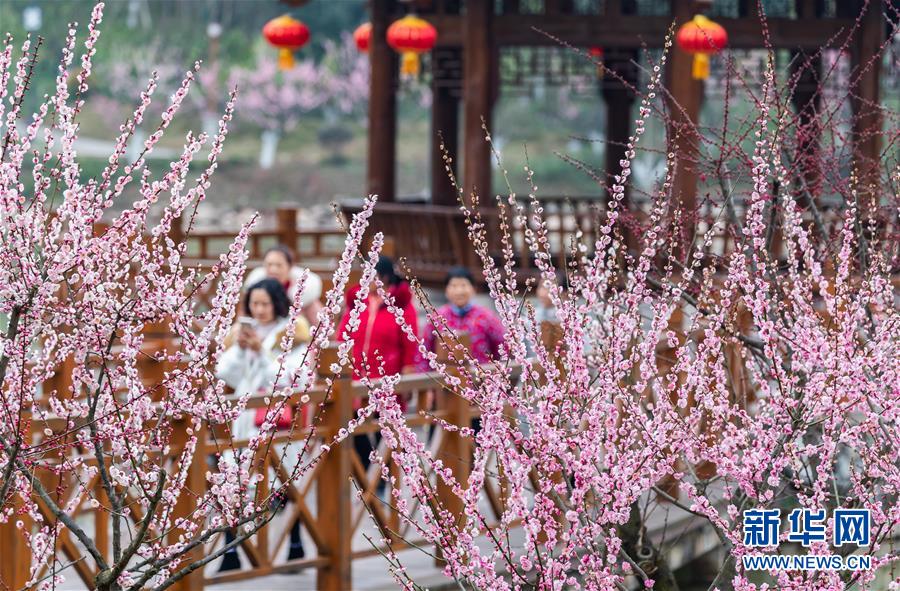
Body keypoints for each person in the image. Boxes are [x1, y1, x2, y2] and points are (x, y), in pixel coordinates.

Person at [215, 278, 312, 569]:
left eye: (264, 304)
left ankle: (295, 543)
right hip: (245, 422)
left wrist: (262, 352)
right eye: (254, 303)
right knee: (234, 481)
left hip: (277, 423)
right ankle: (231, 551)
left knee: (285, 485)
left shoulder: (293, 332)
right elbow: (226, 373)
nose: (259, 310)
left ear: (277, 304)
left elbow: (295, 379)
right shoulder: (241, 333)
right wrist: (241, 348)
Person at [336, 256, 420, 470]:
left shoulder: (400, 304)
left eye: (375, 275)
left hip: (387, 373)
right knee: (357, 424)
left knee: (386, 427)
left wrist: (408, 370)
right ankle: (364, 472)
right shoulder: (358, 301)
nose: (370, 280)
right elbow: (344, 333)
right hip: (357, 374)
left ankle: (385, 476)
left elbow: (410, 341)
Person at [424, 267, 505, 365]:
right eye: (454, 286)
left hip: (481, 376)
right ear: (446, 290)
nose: (459, 291)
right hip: (445, 377)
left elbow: (503, 348)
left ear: (473, 289)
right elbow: (425, 351)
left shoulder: (486, 317)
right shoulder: (437, 317)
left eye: (463, 285)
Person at [244, 245, 323, 326]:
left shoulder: (302, 296)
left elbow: (320, 327)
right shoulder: (256, 291)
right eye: (269, 264)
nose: (273, 270)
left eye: (279, 265)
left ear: (290, 266)